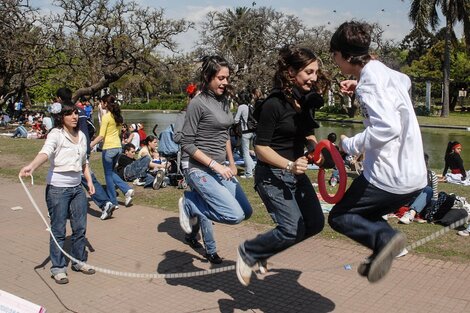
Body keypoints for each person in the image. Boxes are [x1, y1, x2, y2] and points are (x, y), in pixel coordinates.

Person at [327, 21, 427, 283]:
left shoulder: (369, 82)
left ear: (346, 55)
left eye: (335, 55)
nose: (335, 61)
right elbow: (403, 82)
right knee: (365, 215)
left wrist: (349, 145)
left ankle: (388, 240)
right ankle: (387, 245)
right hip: (414, 176)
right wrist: (359, 81)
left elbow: (387, 128)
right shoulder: (383, 74)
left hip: (388, 177)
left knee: (341, 217)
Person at [236, 46, 325, 286]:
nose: (314, 77)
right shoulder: (272, 104)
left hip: (295, 173)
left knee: (315, 224)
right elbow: (259, 148)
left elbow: (308, 134)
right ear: (291, 72)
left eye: (316, 72)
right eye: (309, 72)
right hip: (273, 174)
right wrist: (289, 165)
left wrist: (317, 150)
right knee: (290, 229)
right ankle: (249, 251)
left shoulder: (303, 102)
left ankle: (263, 251)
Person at [179, 55, 253, 264]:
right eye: (220, 78)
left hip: (220, 167)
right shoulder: (197, 103)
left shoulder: (223, 101)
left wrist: (230, 162)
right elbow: (187, 143)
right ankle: (189, 203)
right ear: (208, 76)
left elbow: (224, 135)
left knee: (246, 211)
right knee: (234, 215)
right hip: (199, 170)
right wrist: (214, 165)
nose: (225, 82)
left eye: (227, 78)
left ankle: (193, 205)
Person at [19, 99, 96, 285]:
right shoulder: (56, 134)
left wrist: (89, 181)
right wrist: (32, 167)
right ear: (61, 117)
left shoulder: (82, 136)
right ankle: (58, 268)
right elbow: (45, 152)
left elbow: (84, 161)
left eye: (76, 113)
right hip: (57, 189)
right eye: (70, 114)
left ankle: (79, 262)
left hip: (77, 188)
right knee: (59, 230)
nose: (74, 117)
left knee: (80, 228)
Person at [91, 95, 134, 210]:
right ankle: (126, 189)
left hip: (109, 148)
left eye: (101, 102)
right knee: (111, 172)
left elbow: (101, 135)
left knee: (108, 175)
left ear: (105, 103)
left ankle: (113, 201)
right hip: (118, 147)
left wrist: (90, 145)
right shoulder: (118, 117)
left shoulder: (107, 117)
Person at [399, 153, 438, 224]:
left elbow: (434, 196)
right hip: (409, 200)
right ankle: (411, 213)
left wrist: (432, 211)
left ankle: (411, 214)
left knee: (429, 190)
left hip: (424, 203)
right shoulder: (409, 174)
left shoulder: (432, 175)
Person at [233, 92, 255, 179]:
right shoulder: (250, 106)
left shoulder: (241, 107)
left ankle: (249, 173)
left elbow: (236, 120)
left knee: (245, 153)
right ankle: (252, 166)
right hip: (252, 131)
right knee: (243, 151)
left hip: (245, 132)